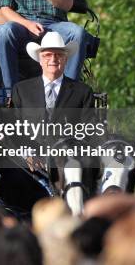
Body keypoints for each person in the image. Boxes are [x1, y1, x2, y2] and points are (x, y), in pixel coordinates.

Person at [12, 31, 94, 216]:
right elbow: (12, 129)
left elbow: (89, 131)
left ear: (65, 60)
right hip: (29, 167)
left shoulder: (82, 92)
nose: (53, 59)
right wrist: (27, 154)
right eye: (47, 55)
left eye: (58, 55)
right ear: (40, 59)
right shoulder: (21, 90)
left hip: (67, 166)